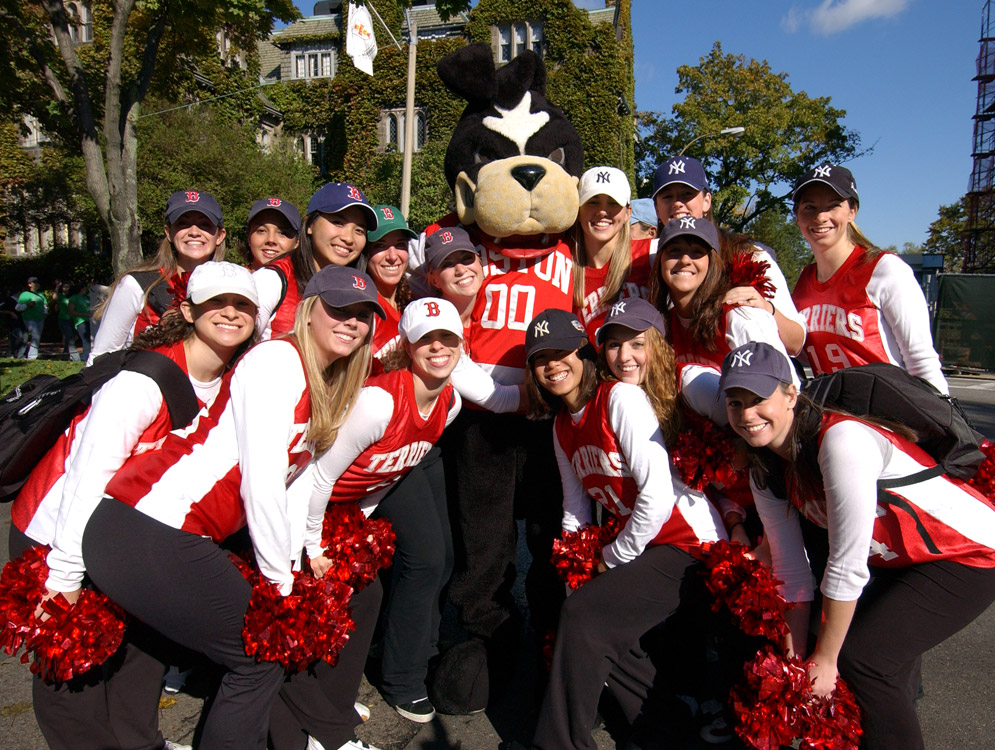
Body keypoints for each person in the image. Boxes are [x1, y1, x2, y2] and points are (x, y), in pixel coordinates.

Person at [43, 265, 381, 750]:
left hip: (168, 536)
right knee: (261, 655)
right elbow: (262, 482)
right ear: (309, 312)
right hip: (146, 527)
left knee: (178, 652)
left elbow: (290, 488)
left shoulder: (321, 379)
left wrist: (293, 561)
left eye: (361, 315)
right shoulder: (276, 362)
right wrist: (278, 587)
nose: (350, 322)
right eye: (338, 310)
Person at [11, 261, 259, 750]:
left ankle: (140, 741)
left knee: (145, 647)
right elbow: (84, 478)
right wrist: (62, 578)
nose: (230, 314)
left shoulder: (238, 379)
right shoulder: (142, 383)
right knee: (71, 666)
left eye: (243, 305)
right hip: (58, 527)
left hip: (126, 529)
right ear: (188, 310)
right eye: (216, 304)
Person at [720, 340, 995, 750]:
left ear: (791, 393)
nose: (747, 415)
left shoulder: (841, 441)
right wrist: (796, 667)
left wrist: (826, 662)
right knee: (828, 646)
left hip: (967, 552)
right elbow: (792, 571)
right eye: (735, 402)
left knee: (865, 660)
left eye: (759, 399)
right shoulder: (765, 467)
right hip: (900, 559)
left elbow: (847, 567)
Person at [523, 309, 725, 750]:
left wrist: (609, 560)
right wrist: (576, 574)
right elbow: (575, 510)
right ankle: (667, 727)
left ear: (584, 354)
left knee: (585, 619)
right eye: (541, 359)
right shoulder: (561, 427)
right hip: (646, 547)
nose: (553, 365)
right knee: (588, 620)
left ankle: (557, 744)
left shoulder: (620, 400)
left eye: (563, 352)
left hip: (690, 545)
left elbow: (656, 498)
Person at [297, 297, 463, 730]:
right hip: (314, 507)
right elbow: (317, 477)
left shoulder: (451, 402)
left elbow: (396, 470)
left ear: (462, 345)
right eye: (427, 340)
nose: (439, 348)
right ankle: (314, 703)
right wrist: (313, 543)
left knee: (433, 558)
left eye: (448, 338)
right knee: (332, 599)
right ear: (407, 345)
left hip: (355, 503)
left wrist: (367, 512)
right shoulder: (378, 403)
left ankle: (376, 674)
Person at [790, 164, 948, 394]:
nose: (821, 217)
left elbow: (922, 361)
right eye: (809, 207)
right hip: (832, 411)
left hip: (886, 414)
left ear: (852, 210)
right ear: (797, 217)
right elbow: (802, 349)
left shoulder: (885, 269)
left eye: (833, 206)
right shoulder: (805, 280)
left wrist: (942, 424)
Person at [652, 156, 806, 356]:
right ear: (656, 207)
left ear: (707, 200)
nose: (677, 204)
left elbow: (796, 342)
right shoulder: (653, 256)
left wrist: (766, 310)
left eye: (687, 194)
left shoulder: (750, 255)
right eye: (667, 196)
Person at [90, 190, 228, 362]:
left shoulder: (231, 289)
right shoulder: (138, 285)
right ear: (168, 232)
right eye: (183, 224)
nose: (194, 232)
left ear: (220, 235)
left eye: (205, 225)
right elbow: (102, 355)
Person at [649, 216, 792, 374]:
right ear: (660, 261)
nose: (685, 260)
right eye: (674, 251)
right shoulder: (661, 324)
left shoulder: (739, 316)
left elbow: (782, 389)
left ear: (712, 263)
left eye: (697, 252)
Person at [254, 182, 378, 340]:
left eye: (359, 230)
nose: (348, 238)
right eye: (337, 223)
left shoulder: (361, 294)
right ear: (310, 225)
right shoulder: (271, 280)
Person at [570, 166, 651, 339]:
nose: (602, 211)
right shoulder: (563, 265)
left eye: (613, 203)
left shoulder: (649, 255)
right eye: (593, 201)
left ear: (628, 213)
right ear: (578, 210)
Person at [365, 204, 417, 371]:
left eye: (400, 245)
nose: (393, 256)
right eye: (380, 245)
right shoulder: (360, 307)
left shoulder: (411, 302)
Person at [245, 196, 301, 270]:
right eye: (261, 231)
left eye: (282, 233)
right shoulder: (231, 279)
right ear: (249, 237)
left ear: (296, 242)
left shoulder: (312, 281)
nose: (271, 240)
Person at [17, 276, 47, 360]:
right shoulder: (25, 294)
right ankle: (32, 356)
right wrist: (27, 305)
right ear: (29, 284)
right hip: (29, 318)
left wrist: (45, 313)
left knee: (37, 336)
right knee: (35, 335)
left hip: (40, 318)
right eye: (34, 282)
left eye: (37, 282)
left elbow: (44, 306)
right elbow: (18, 307)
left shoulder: (41, 295)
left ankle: (31, 355)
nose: (37, 284)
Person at [52, 280, 81, 361]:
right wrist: (57, 287)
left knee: (70, 338)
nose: (65, 289)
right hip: (63, 319)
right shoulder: (61, 296)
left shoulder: (74, 296)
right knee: (70, 337)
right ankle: (76, 358)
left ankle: (65, 357)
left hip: (73, 320)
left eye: (67, 287)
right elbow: (54, 297)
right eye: (64, 287)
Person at [68, 281, 91, 363]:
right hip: (80, 321)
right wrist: (84, 314)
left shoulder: (86, 297)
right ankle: (85, 358)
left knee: (88, 339)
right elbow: (71, 311)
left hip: (88, 321)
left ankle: (85, 356)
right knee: (86, 340)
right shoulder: (74, 298)